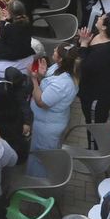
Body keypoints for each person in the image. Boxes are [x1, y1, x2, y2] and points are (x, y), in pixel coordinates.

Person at [28, 43, 80, 174]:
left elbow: (41, 102)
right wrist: (42, 75)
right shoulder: (59, 67)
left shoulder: (62, 83)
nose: (54, 49)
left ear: (61, 58)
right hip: (46, 121)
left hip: (47, 127)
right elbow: (47, 86)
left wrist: (34, 80)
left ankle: (38, 183)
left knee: (41, 156)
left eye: (57, 50)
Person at [77, 14, 110, 124]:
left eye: (101, 18)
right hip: (91, 89)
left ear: (104, 27)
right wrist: (83, 43)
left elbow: (83, 67)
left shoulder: (106, 51)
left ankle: (94, 141)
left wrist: (84, 45)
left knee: (94, 125)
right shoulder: (100, 35)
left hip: (97, 97)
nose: (98, 18)